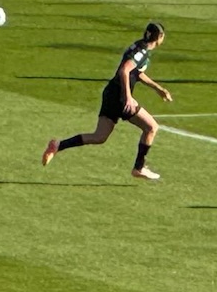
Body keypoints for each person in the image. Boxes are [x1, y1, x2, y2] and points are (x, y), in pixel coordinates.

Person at [42, 22, 172, 180]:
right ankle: (139, 167)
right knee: (151, 127)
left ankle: (58, 145)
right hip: (120, 97)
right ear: (160, 37)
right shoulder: (142, 52)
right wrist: (128, 97)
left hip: (110, 93)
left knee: (99, 136)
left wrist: (157, 88)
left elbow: (135, 72)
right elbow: (124, 70)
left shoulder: (138, 46)